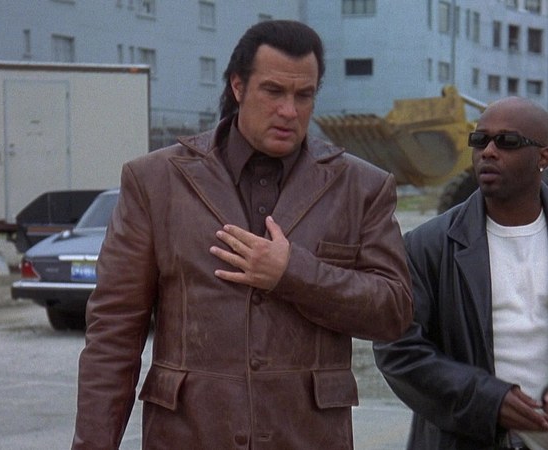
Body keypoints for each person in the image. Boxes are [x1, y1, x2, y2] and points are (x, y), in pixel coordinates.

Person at [72, 20, 413, 449]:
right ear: (238, 86)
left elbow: (394, 309)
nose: (289, 111)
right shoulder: (156, 181)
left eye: (303, 95)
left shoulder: (362, 187)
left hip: (306, 437)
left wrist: (294, 273)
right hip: (189, 436)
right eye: (273, 91)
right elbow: (113, 334)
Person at [373, 97, 548, 450]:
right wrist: (487, 401)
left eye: (507, 142)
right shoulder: (427, 247)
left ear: (543, 157)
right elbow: (398, 347)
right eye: (480, 140)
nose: (488, 152)